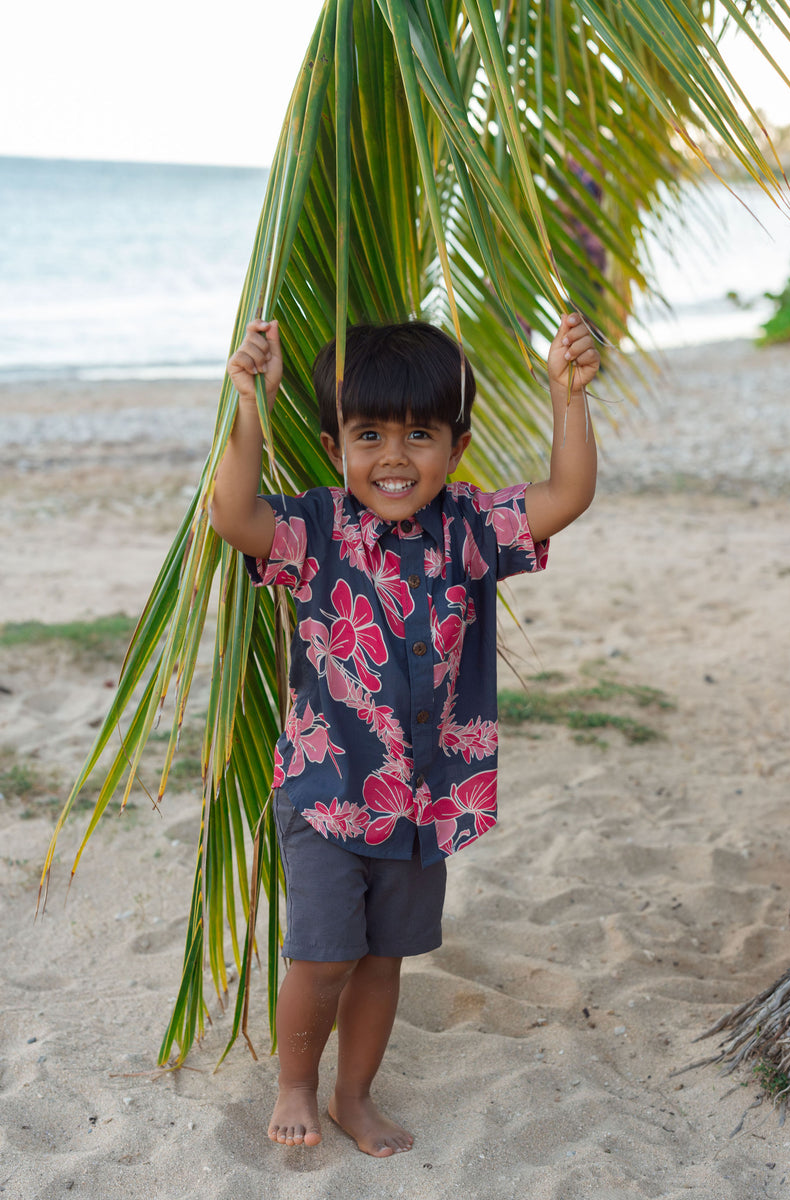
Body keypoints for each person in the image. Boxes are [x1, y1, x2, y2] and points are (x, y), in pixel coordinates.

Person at [210, 313, 599, 1157]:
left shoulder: (467, 528)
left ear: (457, 448)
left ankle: (355, 1095)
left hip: (425, 800)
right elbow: (230, 513)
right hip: (327, 791)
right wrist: (248, 403)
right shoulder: (313, 528)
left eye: (420, 434)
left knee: (384, 959)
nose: (394, 456)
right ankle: (295, 1085)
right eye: (369, 434)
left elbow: (565, 497)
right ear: (332, 446)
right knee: (321, 956)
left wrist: (566, 399)